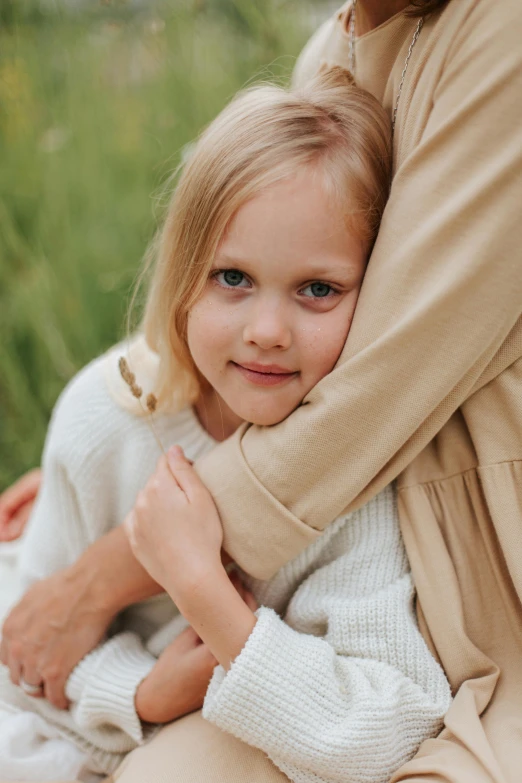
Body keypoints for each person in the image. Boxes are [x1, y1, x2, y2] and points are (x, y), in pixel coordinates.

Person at [1, 0, 522, 780]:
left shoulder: (357, 495)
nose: (268, 330)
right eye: (232, 279)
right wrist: (140, 692)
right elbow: (27, 643)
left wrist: (201, 593)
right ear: (181, 280)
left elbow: (387, 719)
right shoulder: (100, 421)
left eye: (318, 289)